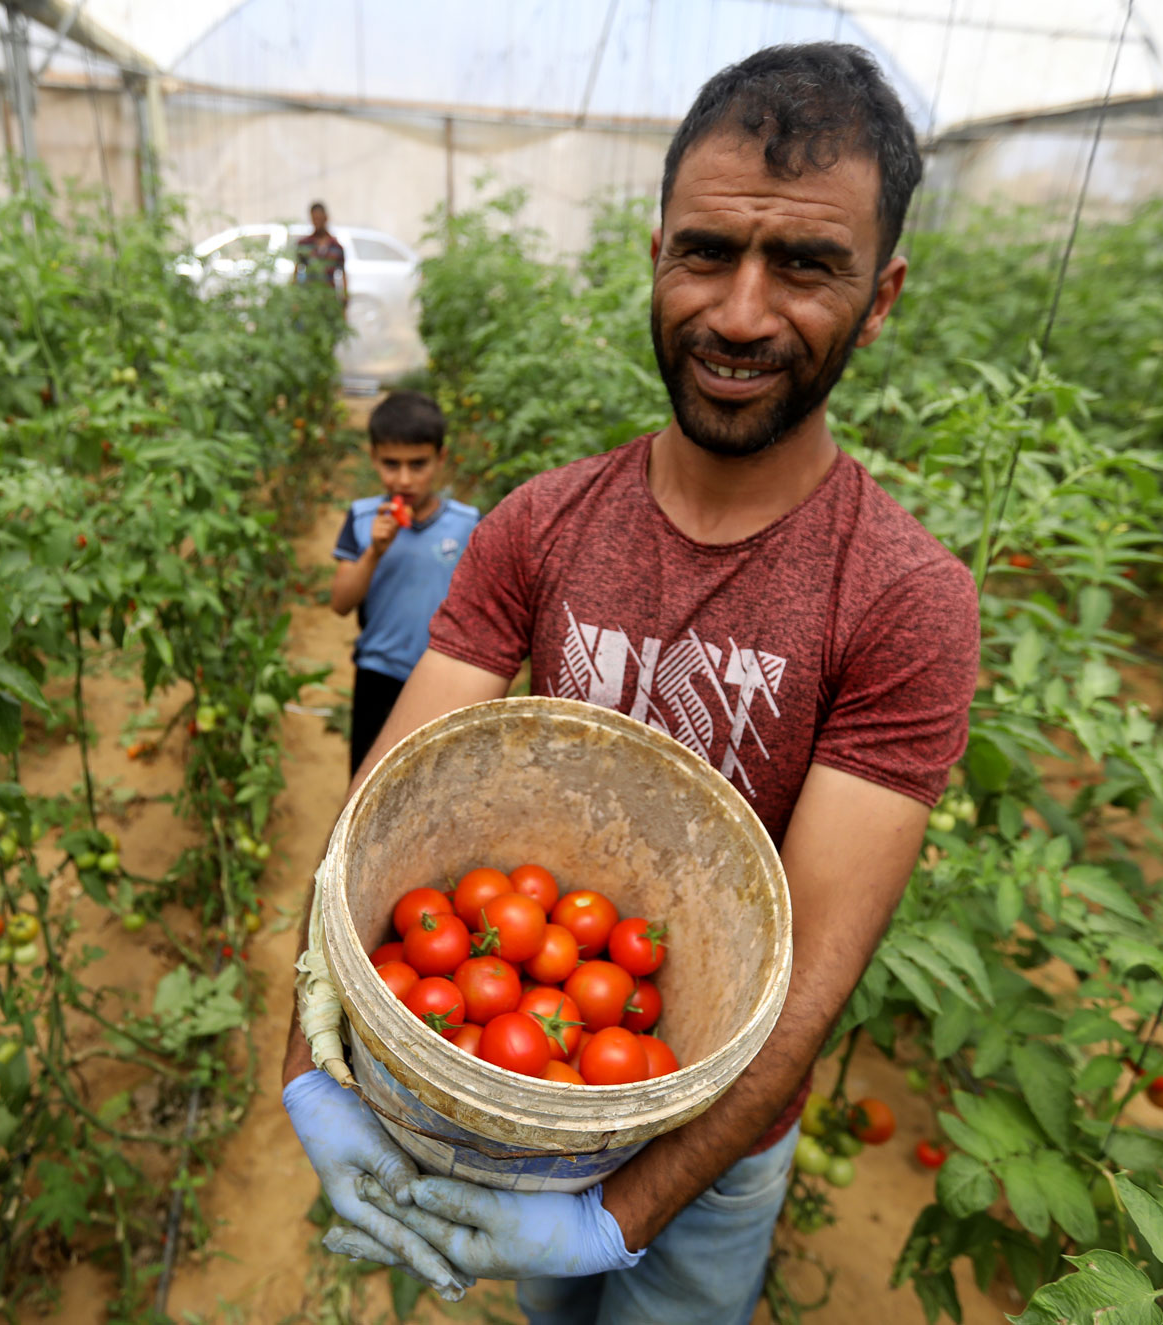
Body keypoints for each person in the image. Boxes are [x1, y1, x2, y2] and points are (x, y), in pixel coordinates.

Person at [281, 41, 980, 1325]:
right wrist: (310, 1063)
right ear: (654, 254)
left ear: (878, 298)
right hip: (535, 1097)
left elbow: (807, 970)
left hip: (718, 1139)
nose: (740, 311)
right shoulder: (538, 526)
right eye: (707, 251)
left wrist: (623, 1207)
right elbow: (386, 801)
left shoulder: (901, 597)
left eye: (805, 266)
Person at [330, 391, 480, 777]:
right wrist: (375, 552)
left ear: (441, 458)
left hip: (442, 677)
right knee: (370, 783)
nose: (404, 479)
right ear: (373, 457)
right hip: (377, 675)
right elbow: (341, 602)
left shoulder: (467, 525)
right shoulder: (363, 518)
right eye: (391, 464)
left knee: (434, 784)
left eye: (418, 464)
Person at [296, 201, 348, 309]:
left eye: (319, 219)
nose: (317, 222)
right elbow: (296, 271)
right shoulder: (304, 245)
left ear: (326, 218)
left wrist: (344, 297)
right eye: (314, 219)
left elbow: (342, 273)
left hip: (329, 297)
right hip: (310, 297)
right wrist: (295, 298)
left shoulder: (337, 247)